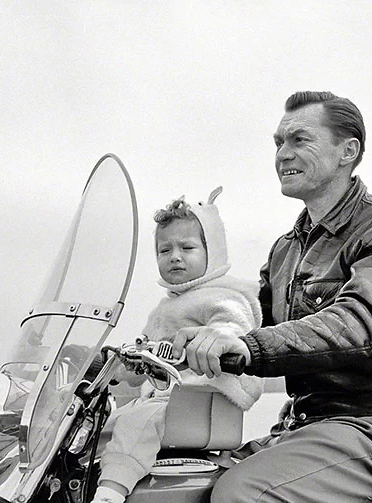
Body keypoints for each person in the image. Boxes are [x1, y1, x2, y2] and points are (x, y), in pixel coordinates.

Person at [171, 91, 372, 502]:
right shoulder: (285, 249)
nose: (283, 154)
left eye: (299, 140)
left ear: (348, 151)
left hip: (371, 426)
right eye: (278, 142)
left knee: (242, 494)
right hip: (300, 424)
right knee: (180, 485)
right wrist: (182, 334)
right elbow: (247, 320)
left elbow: (360, 324)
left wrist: (247, 347)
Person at [92, 188, 263, 503]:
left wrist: (215, 339)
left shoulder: (224, 295)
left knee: (134, 423)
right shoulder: (166, 306)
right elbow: (143, 358)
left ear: (214, 250)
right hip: (169, 403)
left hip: (202, 402)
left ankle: (110, 493)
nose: (174, 256)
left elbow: (234, 326)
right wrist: (118, 364)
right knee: (99, 426)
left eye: (187, 247)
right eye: (164, 250)